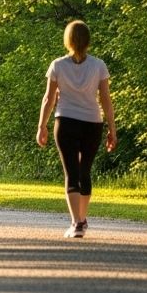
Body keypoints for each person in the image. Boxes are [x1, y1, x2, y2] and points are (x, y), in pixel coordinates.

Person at [36, 20, 117, 238]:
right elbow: (106, 100)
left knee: (71, 172)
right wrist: (112, 129)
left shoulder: (58, 65)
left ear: (68, 40)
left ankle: (76, 222)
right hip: (92, 122)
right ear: (88, 40)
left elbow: (48, 98)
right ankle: (82, 218)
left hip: (66, 121)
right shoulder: (99, 65)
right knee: (84, 171)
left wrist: (41, 125)